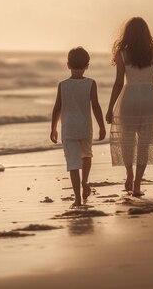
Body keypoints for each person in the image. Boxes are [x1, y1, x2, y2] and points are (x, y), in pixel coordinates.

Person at [106, 17, 153, 197]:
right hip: (150, 98)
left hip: (129, 98)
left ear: (127, 34)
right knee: (144, 143)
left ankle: (129, 173)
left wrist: (110, 107)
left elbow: (119, 83)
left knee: (127, 140)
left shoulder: (122, 54)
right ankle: (136, 185)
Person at [50, 47, 106, 207]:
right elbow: (95, 106)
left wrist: (53, 128)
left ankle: (77, 198)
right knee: (86, 156)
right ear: (87, 65)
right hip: (85, 127)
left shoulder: (63, 85)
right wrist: (101, 126)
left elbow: (57, 108)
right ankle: (85, 182)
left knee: (73, 164)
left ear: (68, 65)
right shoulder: (91, 83)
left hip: (68, 129)